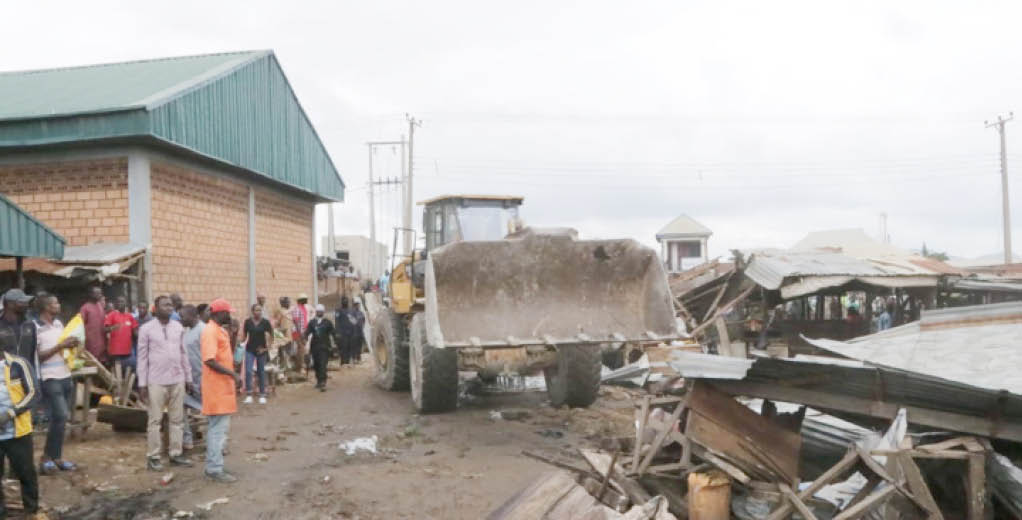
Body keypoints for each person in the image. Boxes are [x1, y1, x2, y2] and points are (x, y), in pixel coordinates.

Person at [137, 295, 193, 471]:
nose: (169, 307)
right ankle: (153, 457)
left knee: (177, 420)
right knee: (155, 420)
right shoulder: (146, 329)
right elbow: (142, 357)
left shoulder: (178, 327)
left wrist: (188, 378)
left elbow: (183, 354)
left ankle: (175, 454)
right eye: (165, 305)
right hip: (156, 381)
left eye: (170, 305)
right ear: (156, 307)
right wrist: (142, 383)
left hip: (177, 379)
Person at [35, 295, 79, 475]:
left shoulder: (60, 324)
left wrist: (71, 345)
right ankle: (46, 458)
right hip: (49, 377)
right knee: (59, 415)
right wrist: (61, 346)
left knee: (61, 419)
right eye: (55, 303)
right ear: (45, 307)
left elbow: (63, 348)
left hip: (65, 375)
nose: (58, 305)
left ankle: (57, 457)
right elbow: (38, 356)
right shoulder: (36, 327)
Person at [201, 299, 240, 483]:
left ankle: (214, 464)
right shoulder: (209, 331)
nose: (230, 315)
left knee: (219, 429)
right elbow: (209, 360)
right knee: (217, 430)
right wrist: (232, 374)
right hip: (216, 389)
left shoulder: (220, 330)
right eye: (228, 313)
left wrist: (234, 333)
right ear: (220, 313)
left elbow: (228, 352)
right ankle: (214, 468)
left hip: (223, 388)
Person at [0, 348, 41, 518]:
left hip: (17, 431)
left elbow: (33, 393)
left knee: (26, 473)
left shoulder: (18, 364)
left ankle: (31, 511)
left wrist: (10, 414)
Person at [240, 304, 272, 405]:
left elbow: (271, 336)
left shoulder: (265, 322)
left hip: (261, 351)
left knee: (261, 372)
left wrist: (266, 348)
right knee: (248, 371)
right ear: (252, 311)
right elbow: (244, 337)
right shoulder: (248, 322)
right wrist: (239, 342)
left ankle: (262, 394)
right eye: (256, 310)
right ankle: (249, 394)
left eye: (260, 310)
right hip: (250, 349)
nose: (258, 312)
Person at [304, 304, 335, 392]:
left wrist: (335, 343)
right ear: (316, 312)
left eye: (321, 311)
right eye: (318, 311)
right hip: (315, 347)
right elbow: (307, 332)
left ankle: (323, 382)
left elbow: (333, 332)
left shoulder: (327, 322)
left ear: (323, 312)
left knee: (323, 364)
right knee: (316, 365)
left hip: (325, 347)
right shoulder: (312, 322)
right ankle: (318, 381)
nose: (320, 313)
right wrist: (304, 337)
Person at [0, 290, 37, 363]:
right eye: (21, 302)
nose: (26, 304)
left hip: (25, 372)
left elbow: (33, 354)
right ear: (10, 304)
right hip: (3, 372)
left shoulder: (30, 325)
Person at [104, 296, 138, 375]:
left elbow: (135, 330)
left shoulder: (129, 316)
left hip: (128, 352)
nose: (120, 303)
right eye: (118, 302)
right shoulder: (112, 315)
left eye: (122, 302)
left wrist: (139, 334)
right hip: (115, 352)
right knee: (117, 374)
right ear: (115, 304)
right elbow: (104, 329)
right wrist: (112, 328)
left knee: (131, 371)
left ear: (126, 303)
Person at [80, 286, 107, 364]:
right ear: (91, 294)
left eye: (100, 293)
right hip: (91, 345)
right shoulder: (85, 308)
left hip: (102, 344)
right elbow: (80, 325)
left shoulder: (100, 306)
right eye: (97, 293)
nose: (100, 295)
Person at [334, 297, 358, 365]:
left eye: (346, 301)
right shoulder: (338, 310)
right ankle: (343, 362)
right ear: (341, 302)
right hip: (342, 333)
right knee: (343, 347)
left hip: (350, 332)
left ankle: (348, 361)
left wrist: (354, 331)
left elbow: (355, 322)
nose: (345, 302)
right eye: (344, 301)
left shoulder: (351, 311)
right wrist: (337, 332)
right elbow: (337, 322)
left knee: (350, 347)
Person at [290, 294, 311, 372]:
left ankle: (299, 366)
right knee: (301, 349)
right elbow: (295, 321)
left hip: (303, 331)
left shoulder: (303, 308)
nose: (306, 301)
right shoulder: (297, 309)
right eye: (305, 299)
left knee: (302, 349)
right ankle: (300, 367)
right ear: (301, 300)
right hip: (298, 331)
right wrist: (300, 333)